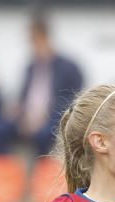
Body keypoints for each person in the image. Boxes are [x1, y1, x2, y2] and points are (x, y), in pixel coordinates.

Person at [14, 15, 85, 155]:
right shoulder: (31, 68)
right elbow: (23, 96)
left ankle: (40, 172)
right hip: (28, 117)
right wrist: (20, 111)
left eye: (34, 41)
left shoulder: (68, 67)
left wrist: (44, 114)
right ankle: (4, 172)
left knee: (43, 134)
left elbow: (73, 98)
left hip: (53, 117)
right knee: (1, 128)